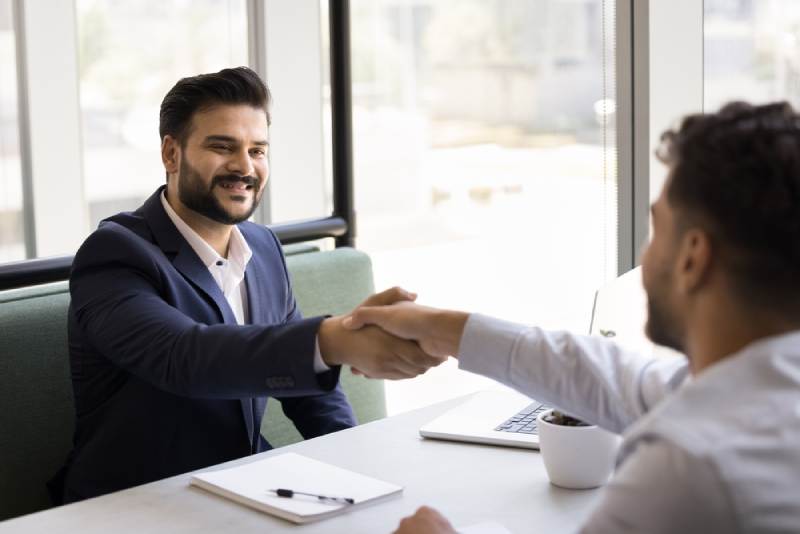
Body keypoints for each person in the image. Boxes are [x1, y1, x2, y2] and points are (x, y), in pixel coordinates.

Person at [345, 102, 800, 533]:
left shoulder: (690, 468)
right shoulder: (763, 390)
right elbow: (624, 381)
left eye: (657, 230)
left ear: (692, 257)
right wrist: (441, 328)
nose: (646, 255)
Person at [51, 67, 444, 504]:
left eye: (257, 150)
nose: (244, 166)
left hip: (245, 486)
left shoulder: (263, 246)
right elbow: (186, 358)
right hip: (136, 504)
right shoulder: (115, 253)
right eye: (222, 147)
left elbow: (308, 390)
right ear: (171, 153)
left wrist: (360, 468)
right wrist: (335, 339)